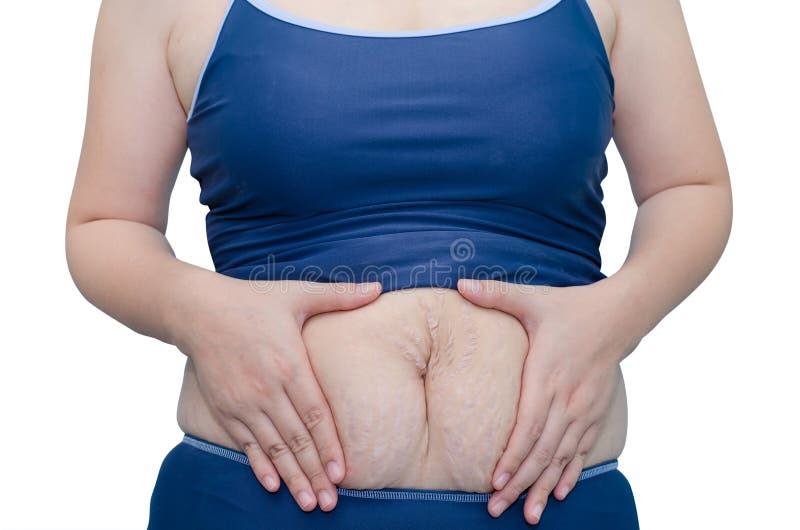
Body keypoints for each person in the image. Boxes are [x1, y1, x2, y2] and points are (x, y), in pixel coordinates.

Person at [65, 0, 732, 527]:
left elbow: (690, 187)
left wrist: (618, 314)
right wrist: (194, 310)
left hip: (552, 494)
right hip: (252, 498)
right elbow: (106, 223)